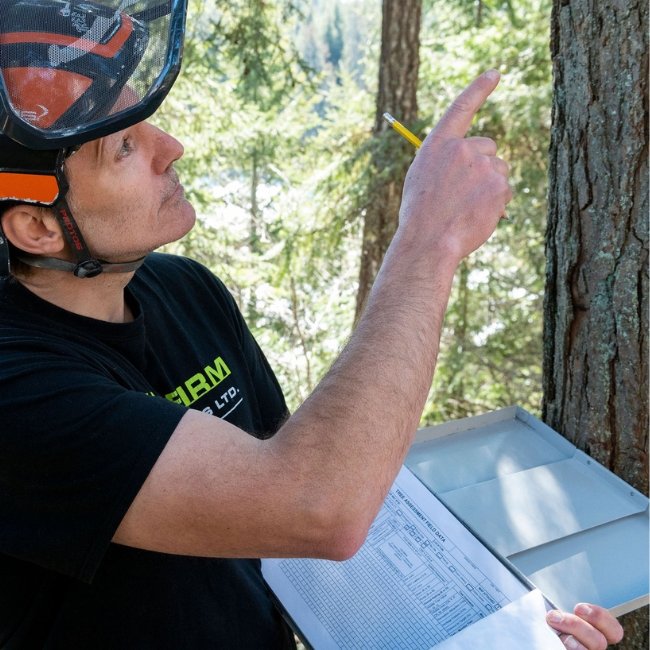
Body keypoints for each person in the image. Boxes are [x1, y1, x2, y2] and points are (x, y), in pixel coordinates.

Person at [0, 1, 625, 648]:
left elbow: (292, 533)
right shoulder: (17, 392)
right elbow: (314, 506)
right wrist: (429, 239)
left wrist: (507, 634)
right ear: (39, 228)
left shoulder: (185, 291)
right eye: (123, 145)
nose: (170, 147)